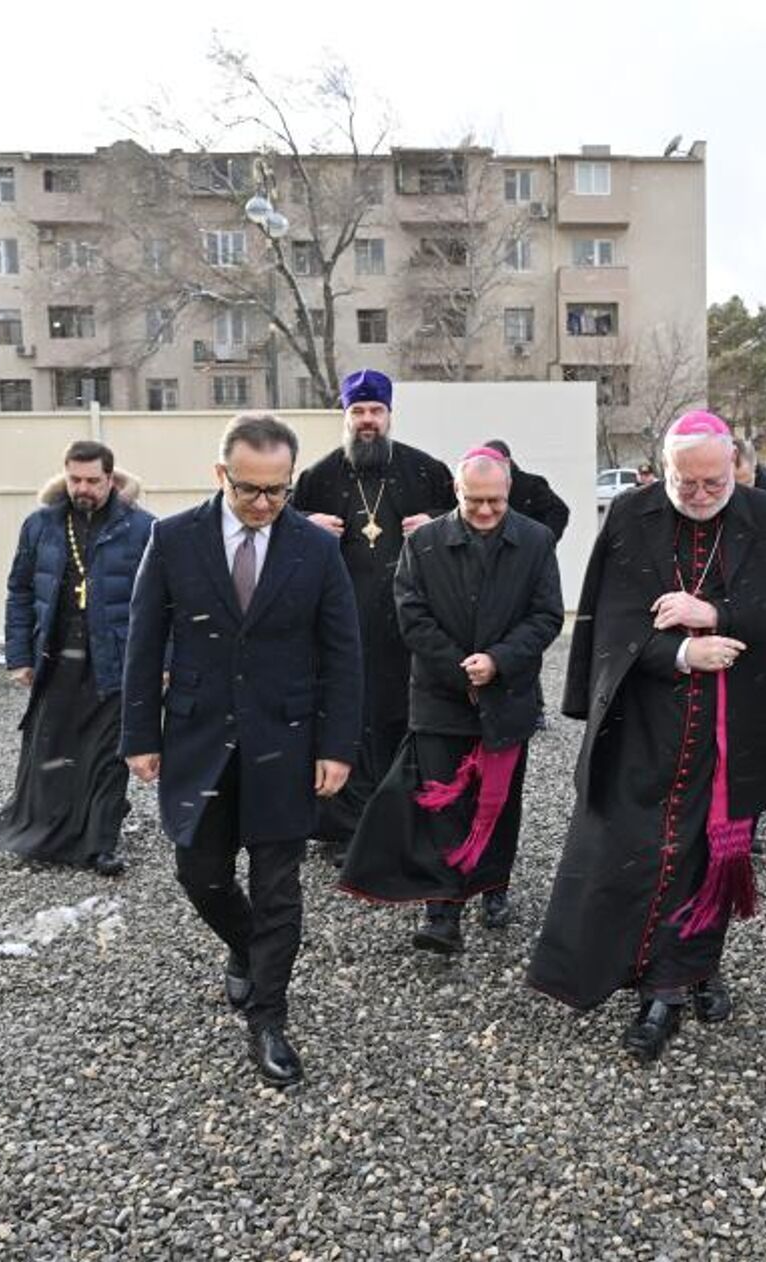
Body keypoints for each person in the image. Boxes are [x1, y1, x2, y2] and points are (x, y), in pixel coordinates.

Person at [528, 411, 766, 1062]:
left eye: (714, 482)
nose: (701, 495)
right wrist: (680, 655)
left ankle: (680, 980)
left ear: (734, 464)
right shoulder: (629, 515)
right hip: (648, 715)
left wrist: (716, 615)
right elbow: (615, 619)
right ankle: (666, 979)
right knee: (646, 847)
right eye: (687, 482)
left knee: (713, 853)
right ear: (665, 468)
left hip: (743, 718)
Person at [122, 413, 363, 1088]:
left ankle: (267, 1016)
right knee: (198, 874)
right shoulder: (173, 540)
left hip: (286, 743)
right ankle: (246, 945)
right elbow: (143, 644)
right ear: (220, 473)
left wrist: (338, 746)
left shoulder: (313, 550)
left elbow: (344, 653)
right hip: (198, 740)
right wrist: (139, 736)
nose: (264, 504)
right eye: (251, 489)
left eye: (278, 491)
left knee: (280, 890)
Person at [337, 447, 563, 952]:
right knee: (441, 803)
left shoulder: (535, 540)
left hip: (507, 695)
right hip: (442, 697)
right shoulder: (426, 543)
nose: (484, 512)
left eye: (495, 503)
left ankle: (492, 885)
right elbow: (411, 614)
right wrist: (461, 668)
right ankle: (441, 911)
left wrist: (499, 660)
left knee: (498, 802)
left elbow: (546, 615)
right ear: (456, 494)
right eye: (474, 501)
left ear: (508, 495)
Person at [292, 370, 456, 860]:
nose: (367, 421)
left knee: (403, 721)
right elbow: (275, 537)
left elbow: (470, 527)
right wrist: (302, 526)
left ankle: (402, 824)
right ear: (345, 416)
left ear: (389, 415)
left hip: (409, 626)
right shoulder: (317, 478)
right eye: (358, 412)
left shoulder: (427, 471)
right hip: (340, 626)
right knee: (347, 720)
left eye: (375, 412)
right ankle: (348, 830)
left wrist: (439, 526)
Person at [0, 441, 154, 876]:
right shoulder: (41, 525)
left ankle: (100, 843)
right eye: (74, 479)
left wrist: (163, 663)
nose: (82, 488)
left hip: (116, 658)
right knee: (53, 748)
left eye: (92, 481)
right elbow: (20, 592)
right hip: (57, 656)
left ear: (111, 479)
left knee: (107, 754)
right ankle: (48, 834)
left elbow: (164, 603)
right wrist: (18, 656)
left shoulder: (142, 528)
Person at [481, 438, 571, 541]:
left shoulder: (530, 485)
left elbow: (559, 511)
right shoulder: (475, 487)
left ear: (507, 462)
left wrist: (543, 543)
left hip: (523, 547)